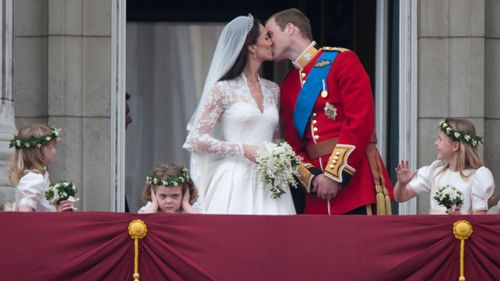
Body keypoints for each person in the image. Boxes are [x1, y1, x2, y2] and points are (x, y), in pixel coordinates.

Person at [265, 8, 393, 215]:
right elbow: (292, 146)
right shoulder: (287, 85)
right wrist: (314, 178)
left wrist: (334, 175)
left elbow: (360, 121)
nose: (268, 42)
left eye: (270, 34)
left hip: (356, 183)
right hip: (317, 194)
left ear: (290, 28)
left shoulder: (342, 61)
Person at [183, 14, 296, 215]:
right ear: (252, 47)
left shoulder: (273, 89)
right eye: (266, 38)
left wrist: (279, 157)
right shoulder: (222, 89)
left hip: (269, 181)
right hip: (234, 180)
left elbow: (275, 138)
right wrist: (242, 149)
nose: (272, 42)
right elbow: (196, 139)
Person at [394, 119, 494, 215]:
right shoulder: (435, 172)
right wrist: (402, 184)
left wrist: (461, 217)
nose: (436, 143)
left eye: (440, 139)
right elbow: (401, 197)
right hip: (435, 231)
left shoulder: (477, 177)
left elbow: (479, 218)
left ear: (455, 146)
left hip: (461, 231)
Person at [8, 124, 73, 212]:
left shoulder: (37, 176)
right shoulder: (34, 178)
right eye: (53, 147)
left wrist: (57, 211)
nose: (55, 151)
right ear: (45, 150)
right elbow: (25, 216)